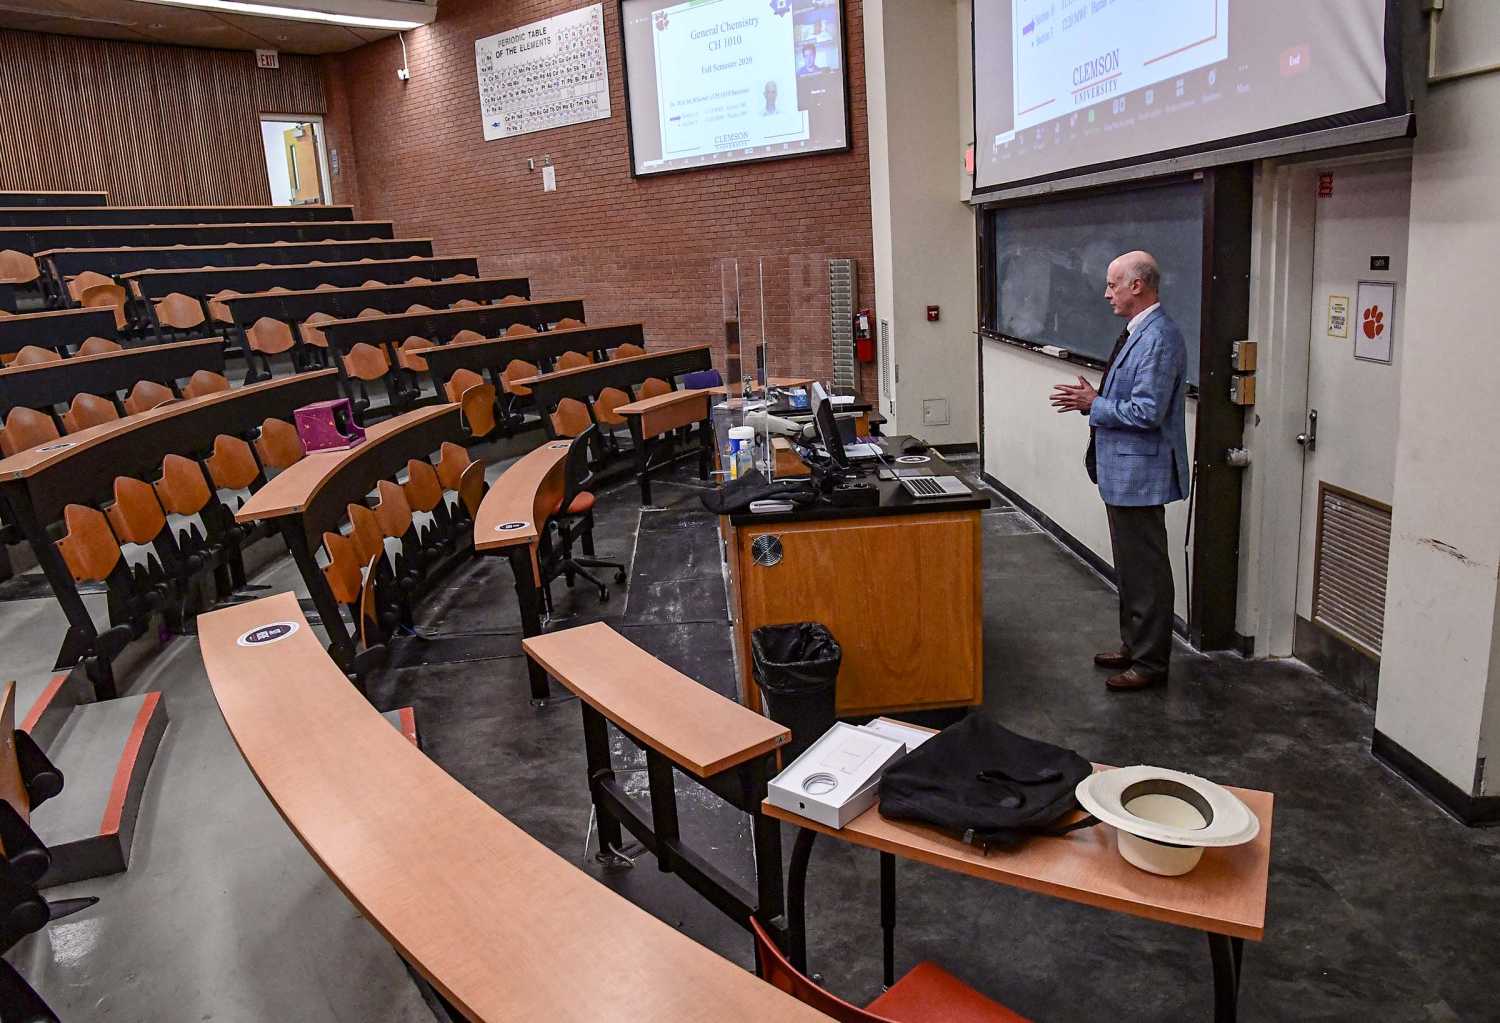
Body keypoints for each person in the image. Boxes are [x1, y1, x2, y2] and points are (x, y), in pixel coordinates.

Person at [1049, 251, 1189, 691]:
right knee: (1130, 569)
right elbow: (1129, 399)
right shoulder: (1137, 332)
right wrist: (1096, 399)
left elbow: (1147, 412)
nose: (1107, 293)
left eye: (1113, 284)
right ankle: (1134, 645)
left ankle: (1150, 664)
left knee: (1146, 572)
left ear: (1137, 286)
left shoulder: (1159, 337)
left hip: (1140, 475)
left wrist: (1095, 403)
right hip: (1123, 473)